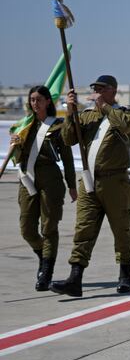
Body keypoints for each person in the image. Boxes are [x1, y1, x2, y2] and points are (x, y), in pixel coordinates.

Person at [50, 75, 130, 297]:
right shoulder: (87, 116)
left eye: (102, 89)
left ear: (113, 91)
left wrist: (105, 107)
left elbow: (125, 126)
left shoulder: (124, 112)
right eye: (95, 89)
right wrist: (71, 113)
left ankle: (125, 275)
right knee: (83, 229)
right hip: (89, 181)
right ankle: (75, 277)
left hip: (115, 182)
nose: (97, 92)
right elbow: (69, 139)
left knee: (121, 229)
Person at [9, 86, 77, 291]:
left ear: (48, 101)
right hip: (27, 179)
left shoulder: (57, 126)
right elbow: (17, 157)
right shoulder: (23, 126)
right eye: (31, 100)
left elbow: (67, 158)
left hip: (50, 179)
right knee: (27, 229)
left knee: (48, 227)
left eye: (38, 99)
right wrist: (14, 144)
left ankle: (46, 272)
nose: (34, 103)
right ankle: (42, 254)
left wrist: (72, 185)